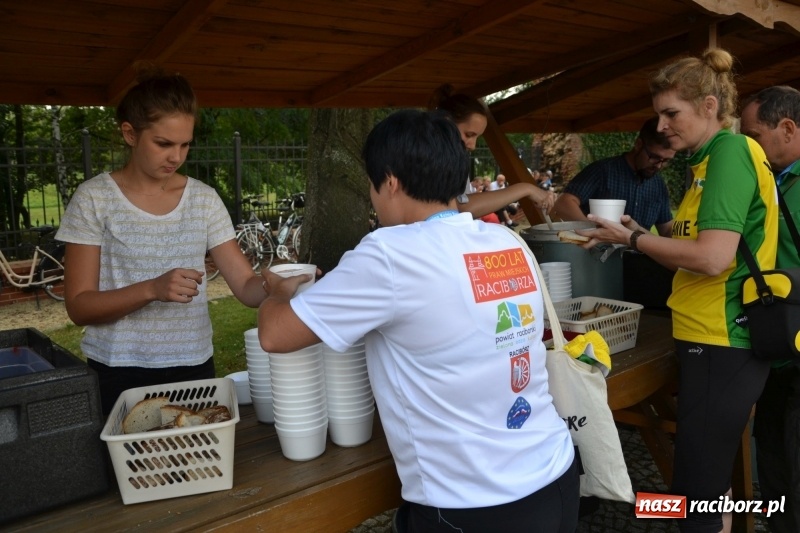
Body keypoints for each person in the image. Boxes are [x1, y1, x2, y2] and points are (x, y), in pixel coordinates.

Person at [257, 109, 579, 533]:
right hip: (554, 474)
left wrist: (276, 293)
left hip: (473, 503)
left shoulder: (391, 253)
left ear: (389, 182)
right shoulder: (503, 239)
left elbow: (275, 336)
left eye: (372, 188)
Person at [578, 48, 778, 533]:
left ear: (709, 106)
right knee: (707, 480)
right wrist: (642, 232)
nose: (662, 125)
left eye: (672, 113)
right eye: (659, 114)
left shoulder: (730, 152)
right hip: (709, 337)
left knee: (696, 489)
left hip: (721, 338)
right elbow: (699, 245)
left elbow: (713, 258)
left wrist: (632, 239)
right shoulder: (707, 161)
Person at [56, 68, 268, 415]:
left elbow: (246, 286)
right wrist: (152, 289)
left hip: (194, 366)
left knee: (195, 467)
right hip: (119, 371)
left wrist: (276, 283)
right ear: (130, 134)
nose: (177, 156)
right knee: (134, 469)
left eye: (185, 144)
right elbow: (79, 306)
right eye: (164, 143)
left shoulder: (203, 199)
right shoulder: (94, 198)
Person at [740, 85, 800, 533]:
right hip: (775, 346)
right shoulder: (767, 177)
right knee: (773, 452)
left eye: (754, 135)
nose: (748, 146)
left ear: (788, 128)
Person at [429, 84, 556, 224]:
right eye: (469, 134)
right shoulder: (433, 157)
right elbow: (464, 207)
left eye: (477, 137)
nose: (472, 146)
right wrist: (525, 189)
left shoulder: (452, 158)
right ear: (447, 122)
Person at [553, 116, 675, 236]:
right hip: (598, 254)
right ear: (638, 144)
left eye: (666, 161)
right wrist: (592, 232)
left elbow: (667, 230)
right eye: (654, 157)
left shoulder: (658, 185)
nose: (659, 166)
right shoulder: (602, 171)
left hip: (640, 255)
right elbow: (563, 203)